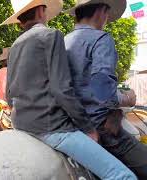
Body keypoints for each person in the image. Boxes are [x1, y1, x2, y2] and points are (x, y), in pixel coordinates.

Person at [3, 0, 136, 179]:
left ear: (20, 20)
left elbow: (9, 96)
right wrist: (88, 128)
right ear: (42, 11)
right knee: (123, 175)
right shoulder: (51, 35)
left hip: (21, 125)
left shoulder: (15, 47)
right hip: (51, 127)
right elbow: (61, 89)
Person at [64, 0, 147, 178]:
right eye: (107, 14)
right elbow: (102, 89)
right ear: (101, 11)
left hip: (69, 124)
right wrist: (127, 98)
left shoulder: (63, 41)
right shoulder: (101, 39)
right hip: (99, 125)